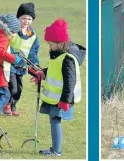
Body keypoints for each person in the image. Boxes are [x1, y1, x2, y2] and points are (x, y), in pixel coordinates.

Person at [37, 19, 86, 157]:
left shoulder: (67, 59)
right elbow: (54, 70)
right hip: (55, 98)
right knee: (53, 121)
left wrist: (65, 101)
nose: (50, 47)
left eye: (51, 44)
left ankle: (56, 151)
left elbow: (69, 82)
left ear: (60, 43)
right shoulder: (58, 55)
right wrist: (43, 72)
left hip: (62, 99)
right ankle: (54, 149)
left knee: (55, 122)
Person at [4, 3, 40, 117]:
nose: (26, 21)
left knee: (19, 89)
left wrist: (35, 66)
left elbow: (33, 52)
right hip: (10, 64)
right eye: (23, 18)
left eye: (29, 19)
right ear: (18, 18)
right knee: (13, 87)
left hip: (22, 66)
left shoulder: (33, 35)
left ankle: (13, 106)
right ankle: (7, 105)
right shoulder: (12, 32)